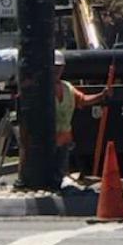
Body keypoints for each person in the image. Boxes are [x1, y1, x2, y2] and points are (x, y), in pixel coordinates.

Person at [46, 51, 107, 179]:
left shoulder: (68, 88)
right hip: (46, 142)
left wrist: (101, 96)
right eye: (54, 67)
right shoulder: (42, 88)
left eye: (59, 67)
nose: (57, 70)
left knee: (60, 175)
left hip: (64, 140)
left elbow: (83, 100)